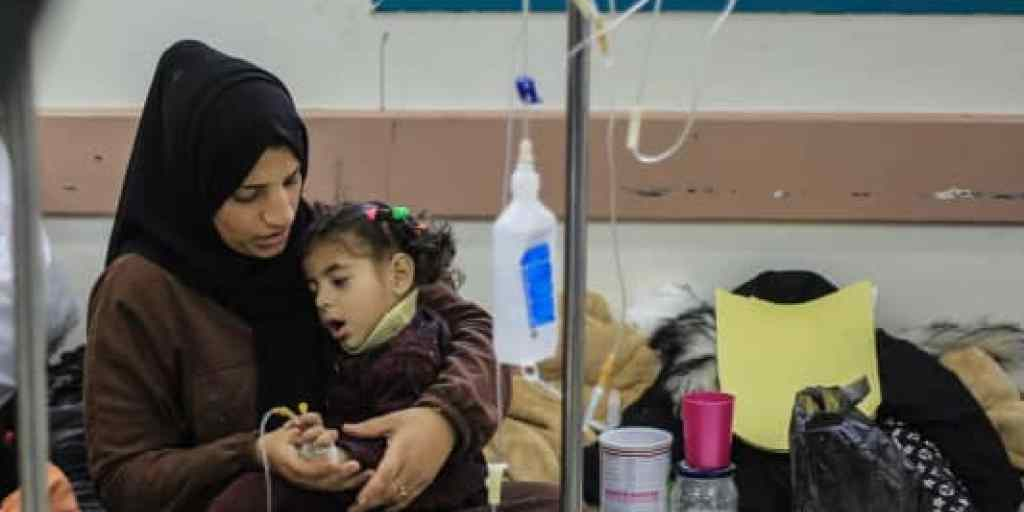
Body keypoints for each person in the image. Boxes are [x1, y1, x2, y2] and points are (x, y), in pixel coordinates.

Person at [85, 40, 558, 512]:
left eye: (292, 180)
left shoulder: (327, 243)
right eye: (249, 194)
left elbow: (476, 332)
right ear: (195, 187)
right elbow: (124, 479)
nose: (281, 214)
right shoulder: (140, 291)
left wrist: (441, 420)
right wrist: (252, 452)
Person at [211, 201, 492, 511]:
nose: (322, 300)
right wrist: (320, 434)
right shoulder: (366, 343)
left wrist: (337, 454)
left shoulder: (410, 357)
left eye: (339, 282)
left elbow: (393, 446)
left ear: (399, 275)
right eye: (314, 289)